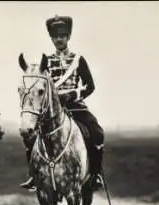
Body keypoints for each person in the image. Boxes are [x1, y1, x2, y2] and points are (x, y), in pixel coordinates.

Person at [20, 15, 105, 191]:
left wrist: (73, 94)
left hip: (76, 107)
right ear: (51, 38)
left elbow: (90, 86)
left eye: (62, 36)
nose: (59, 39)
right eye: (55, 36)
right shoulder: (46, 62)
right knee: (29, 135)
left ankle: (95, 175)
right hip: (51, 110)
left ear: (68, 37)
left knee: (97, 132)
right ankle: (34, 176)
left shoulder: (77, 60)